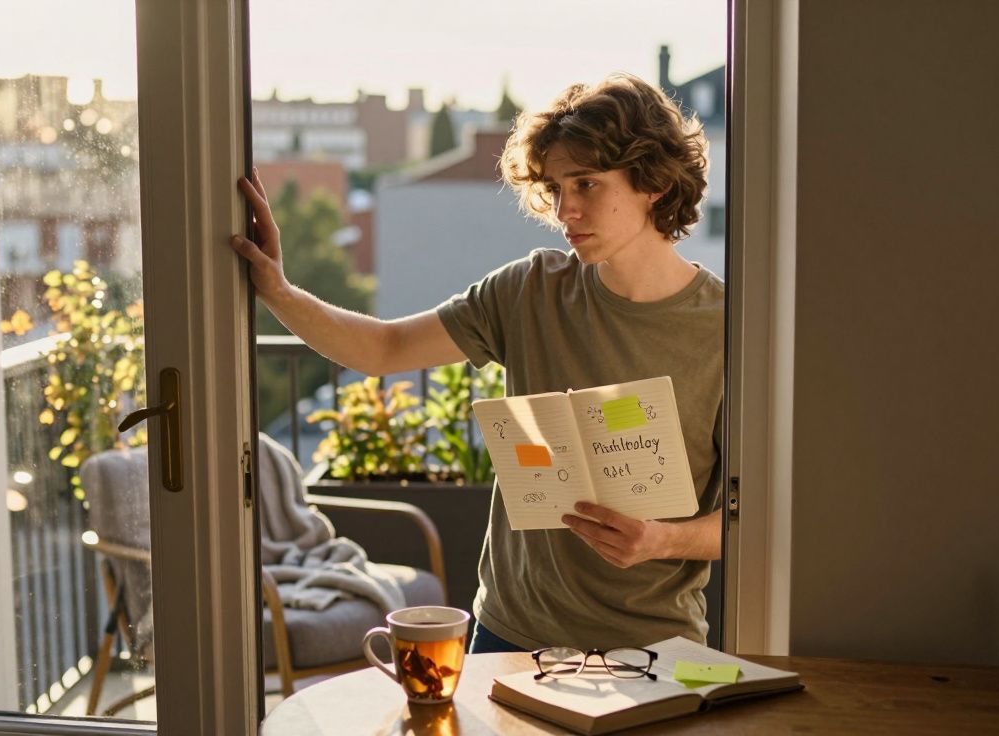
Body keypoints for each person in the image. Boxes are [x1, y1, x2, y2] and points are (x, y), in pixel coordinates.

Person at [230, 73, 724, 653]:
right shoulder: (530, 290)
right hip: (510, 636)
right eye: (557, 187)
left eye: (587, 183)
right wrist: (279, 293)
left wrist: (661, 541)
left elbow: (756, 519)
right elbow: (384, 349)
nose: (567, 209)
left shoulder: (727, 329)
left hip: (652, 648)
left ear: (655, 185)